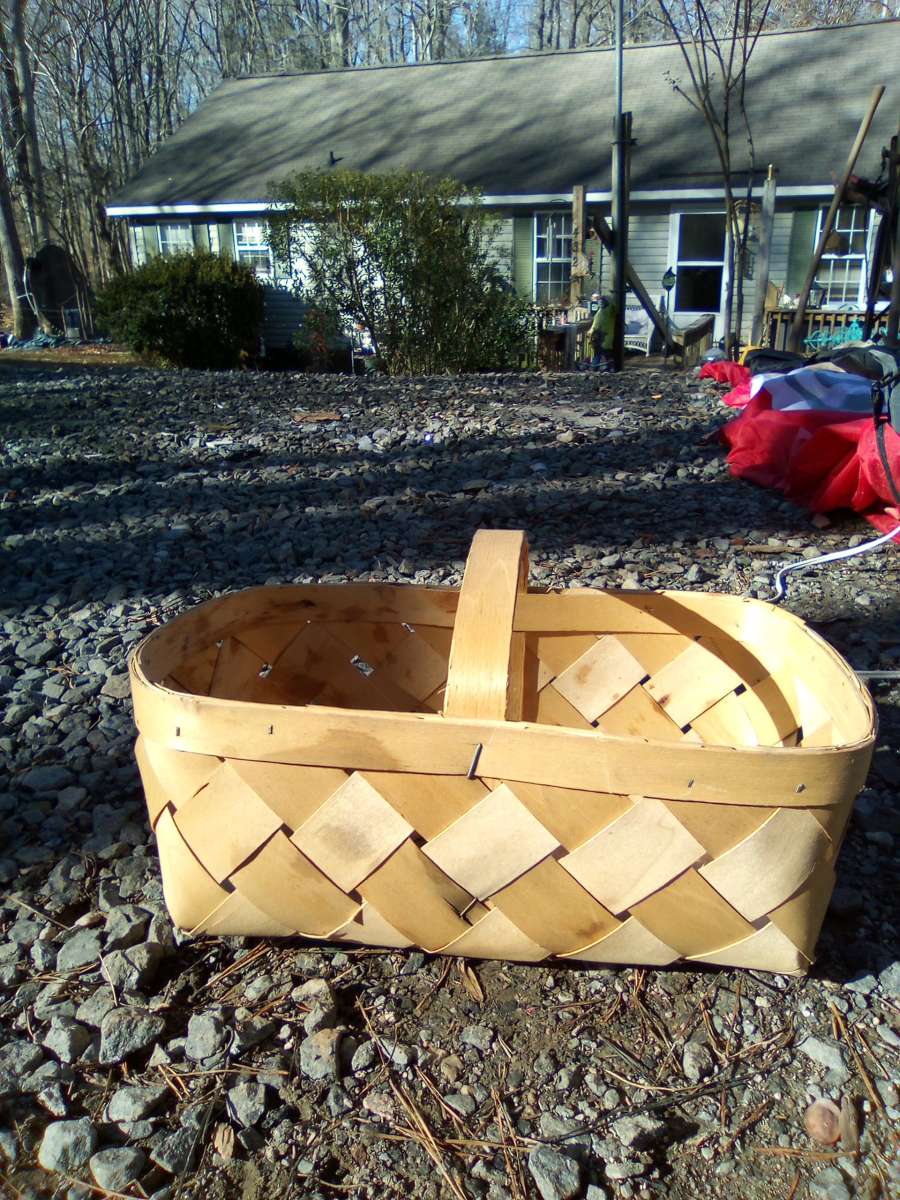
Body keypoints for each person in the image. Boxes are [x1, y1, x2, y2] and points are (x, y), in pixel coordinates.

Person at [588, 292, 617, 371]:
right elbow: (595, 323)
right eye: (599, 301)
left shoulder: (609, 310)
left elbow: (613, 307)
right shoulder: (600, 311)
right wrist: (591, 331)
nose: (600, 302)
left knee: (604, 353)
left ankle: (607, 367)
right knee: (599, 353)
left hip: (605, 336)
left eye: (602, 301)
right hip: (600, 336)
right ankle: (597, 367)